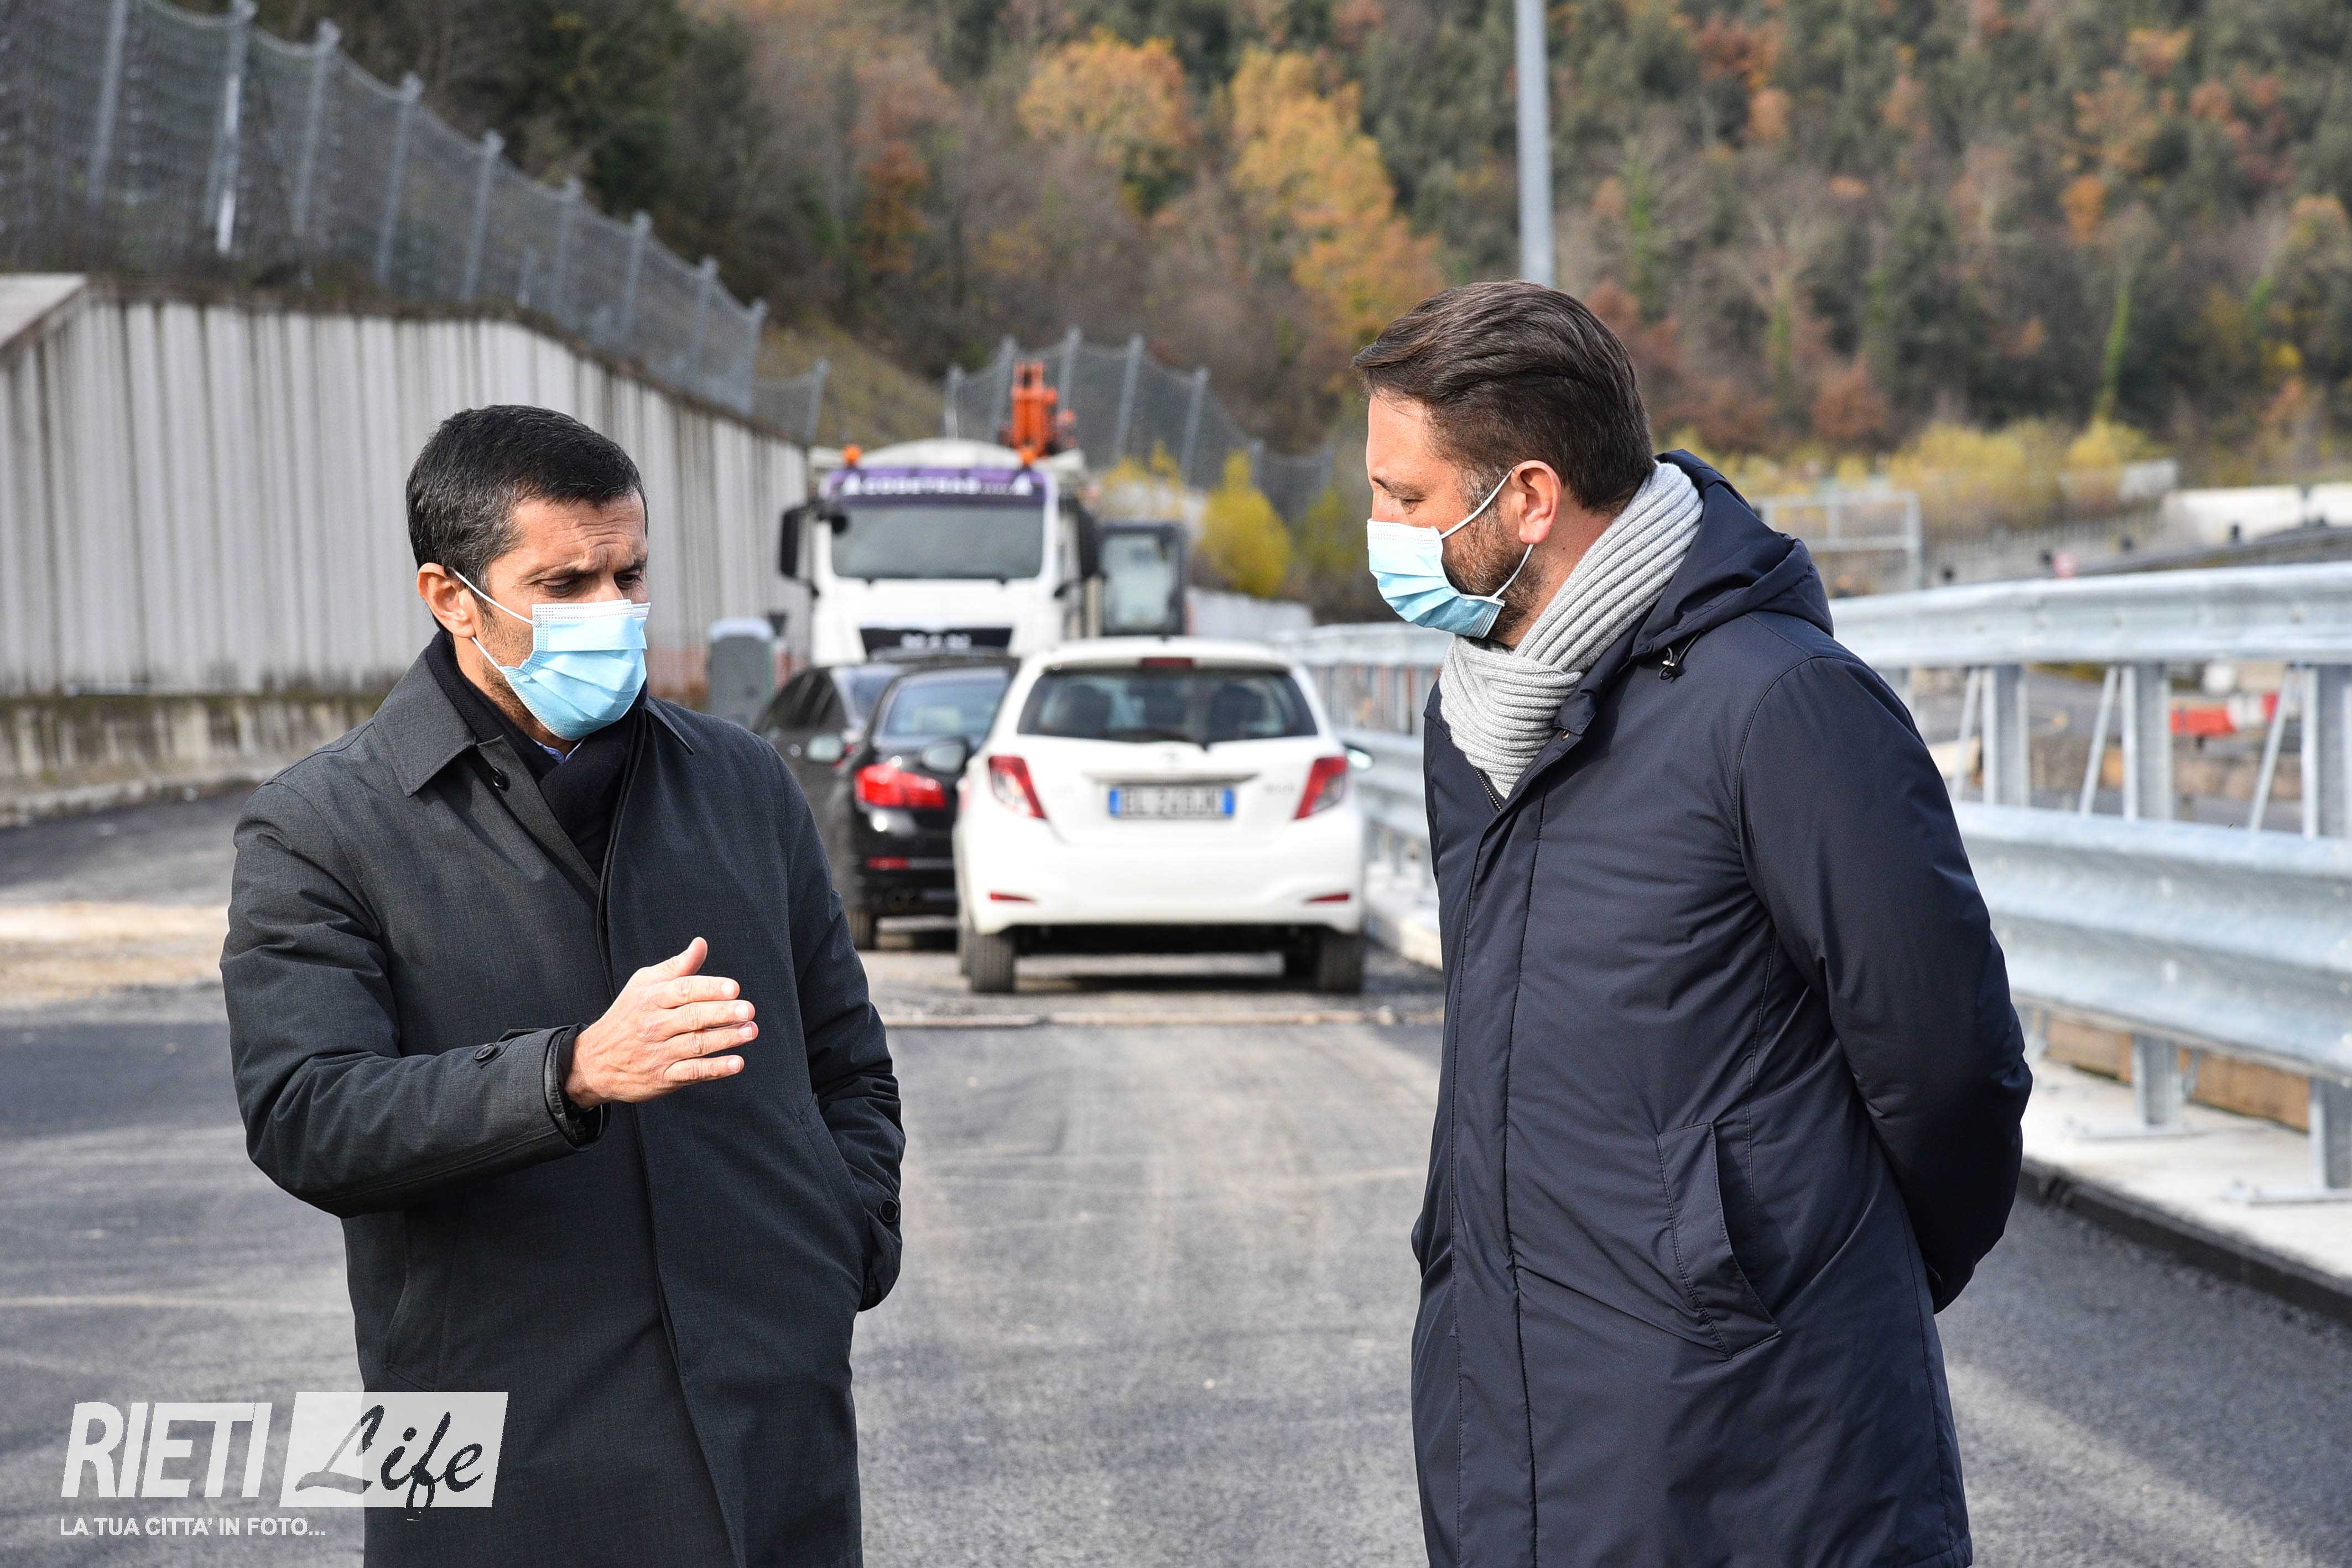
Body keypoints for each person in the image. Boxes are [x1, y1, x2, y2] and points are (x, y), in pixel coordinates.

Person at [1356, 282, 2031, 1568]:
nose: (1379, 533)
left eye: (1404, 497)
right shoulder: (1473, 724)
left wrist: (1814, 1283)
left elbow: (1948, 1066)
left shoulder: (1780, 707)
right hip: (1510, 1425)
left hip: (1760, 1455)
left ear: (1529, 498)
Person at [221, 405, 903, 1567]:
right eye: (564, 583)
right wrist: (569, 1073)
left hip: (767, 1425)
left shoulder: (742, 783)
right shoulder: (322, 826)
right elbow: (307, 1114)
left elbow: (848, 1061)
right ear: (450, 597)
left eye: (628, 575)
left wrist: (843, 1244)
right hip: (502, 1446)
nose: (611, 610)